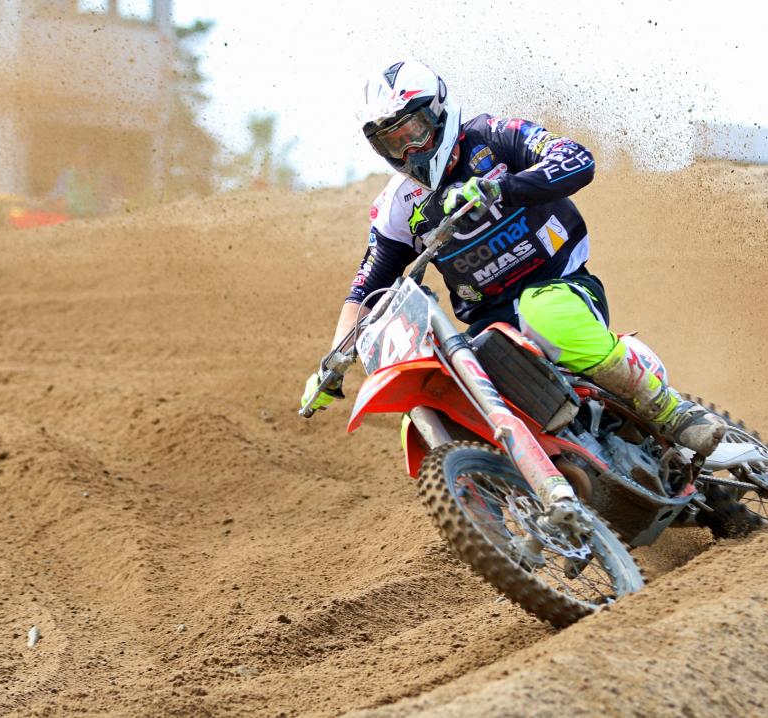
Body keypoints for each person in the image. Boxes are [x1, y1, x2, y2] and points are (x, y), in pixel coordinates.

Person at [301, 60, 725, 458]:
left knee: (545, 313)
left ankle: (672, 412)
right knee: (435, 389)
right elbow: (368, 287)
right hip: (490, 325)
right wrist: (333, 361)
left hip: (562, 286)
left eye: (414, 132)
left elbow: (577, 159)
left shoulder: (494, 135)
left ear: (438, 113)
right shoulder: (398, 207)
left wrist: (501, 189)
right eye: (392, 143)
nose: (409, 151)